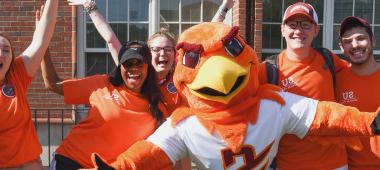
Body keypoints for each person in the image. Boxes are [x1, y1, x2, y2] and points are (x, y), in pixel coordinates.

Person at [41, 40, 169, 169]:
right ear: (120, 67)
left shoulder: (159, 107)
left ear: (148, 67)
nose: (133, 68)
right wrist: (42, 43)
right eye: (128, 63)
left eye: (139, 63)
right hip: (70, 161)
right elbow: (52, 84)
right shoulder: (102, 84)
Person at [256, 2, 350, 170]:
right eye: (292, 25)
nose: (298, 31)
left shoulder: (328, 59)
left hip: (335, 163)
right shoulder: (268, 69)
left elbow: (361, 73)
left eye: (306, 25)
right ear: (282, 30)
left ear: (316, 31)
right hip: (289, 164)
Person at [0, 0, 58, 169]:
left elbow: (41, 40)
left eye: (6, 50)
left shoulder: (16, 74)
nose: (1, 54)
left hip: (29, 165)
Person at [336, 16, 380, 169]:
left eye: (360, 38)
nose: (354, 45)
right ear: (341, 47)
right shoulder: (335, 80)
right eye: (347, 41)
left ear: (373, 40)